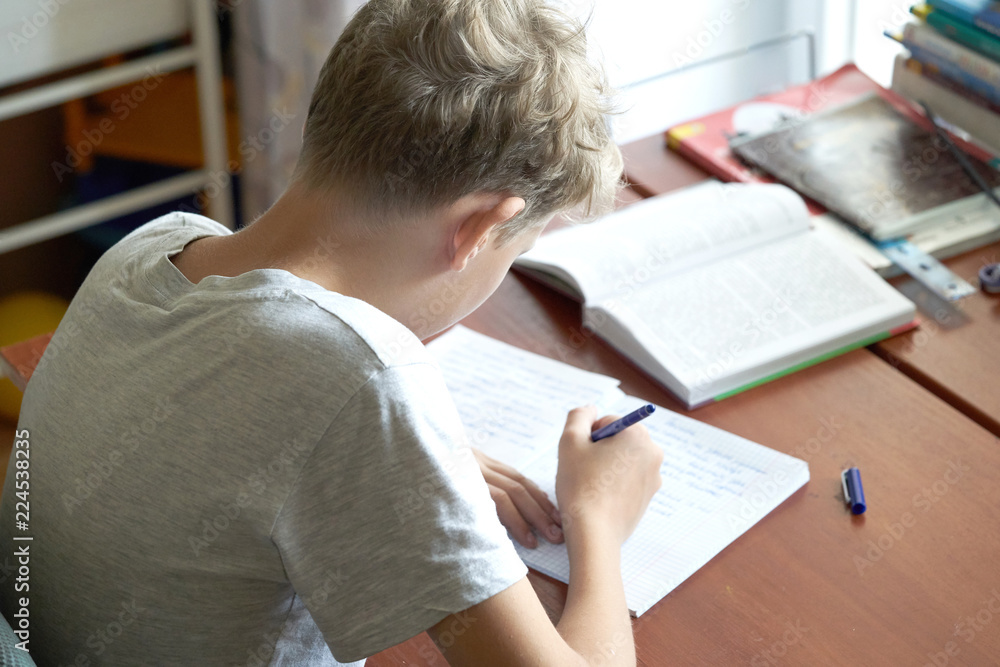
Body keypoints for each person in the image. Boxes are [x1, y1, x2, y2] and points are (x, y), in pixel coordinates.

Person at [0, 0, 663, 664]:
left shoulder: (152, 248)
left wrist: (421, 461)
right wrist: (598, 518)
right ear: (479, 228)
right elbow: (327, 392)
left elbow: (239, 425)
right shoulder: (362, 379)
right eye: (512, 250)